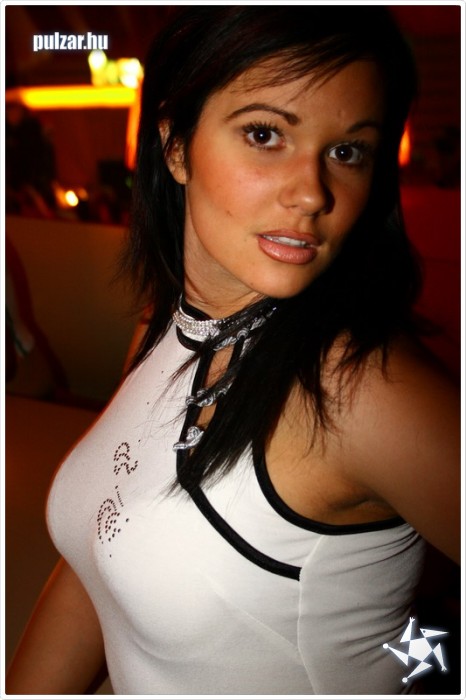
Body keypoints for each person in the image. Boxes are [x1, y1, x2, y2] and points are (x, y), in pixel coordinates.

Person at [6, 6, 460, 695]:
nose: (311, 194)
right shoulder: (167, 320)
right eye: (265, 134)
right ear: (176, 146)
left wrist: (428, 663)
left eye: (347, 152)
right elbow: (96, 561)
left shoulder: (365, 388)